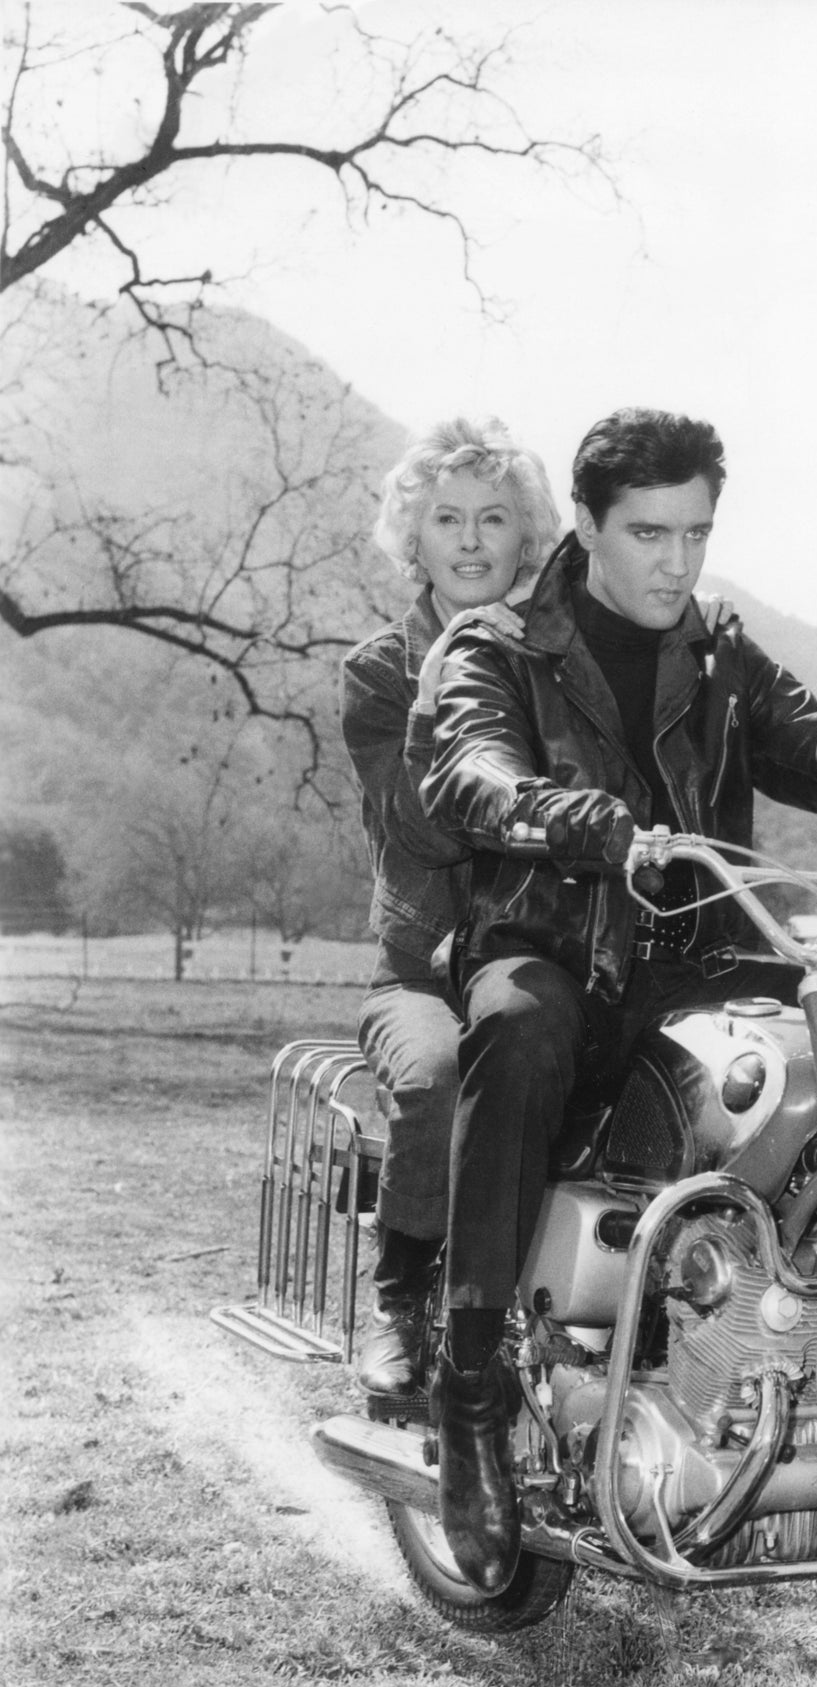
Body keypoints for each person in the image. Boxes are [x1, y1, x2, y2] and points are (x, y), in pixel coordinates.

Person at [420, 406, 817, 1593]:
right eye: (650, 534)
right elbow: (466, 769)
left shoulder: (716, 652)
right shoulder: (497, 646)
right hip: (559, 946)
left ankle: (786, 1332)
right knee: (515, 1030)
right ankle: (468, 1394)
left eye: (697, 533)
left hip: (701, 951)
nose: (677, 562)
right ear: (589, 527)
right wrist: (571, 817)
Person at [340, 416, 561, 1395]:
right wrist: (445, 684)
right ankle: (397, 1297)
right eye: (447, 519)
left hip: (531, 955)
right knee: (434, 1071)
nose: (471, 541)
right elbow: (420, 838)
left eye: (494, 518)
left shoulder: (561, 670)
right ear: (413, 536)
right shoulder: (379, 674)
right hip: (421, 972)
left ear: (527, 538)